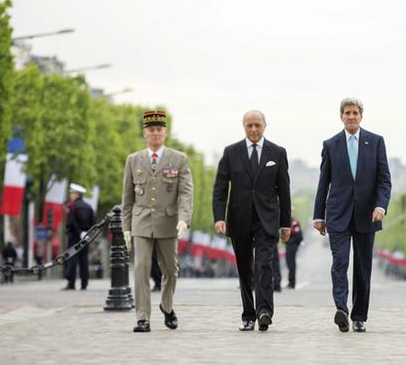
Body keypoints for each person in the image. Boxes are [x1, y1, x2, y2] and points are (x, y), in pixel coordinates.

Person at [313, 98, 392, 333]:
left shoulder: (376, 142)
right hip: (338, 214)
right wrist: (319, 215)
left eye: (354, 113)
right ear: (341, 116)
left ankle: (359, 316)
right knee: (340, 262)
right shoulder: (331, 144)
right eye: (346, 113)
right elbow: (323, 182)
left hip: (368, 215)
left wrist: (381, 206)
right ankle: (341, 310)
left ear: (361, 116)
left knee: (362, 266)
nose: (350, 116)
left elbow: (384, 180)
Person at [213, 110, 291, 332]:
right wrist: (219, 217)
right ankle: (248, 315)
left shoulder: (277, 152)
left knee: (264, 265)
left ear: (265, 126)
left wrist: (285, 224)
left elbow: (284, 191)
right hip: (239, 219)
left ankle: (264, 311)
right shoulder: (231, 153)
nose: (254, 129)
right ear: (243, 127)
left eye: (257, 125)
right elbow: (220, 188)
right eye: (249, 125)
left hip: (267, 220)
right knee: (244, 269)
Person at [122, 110, 194, 333]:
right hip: (141, 222)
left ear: (165, 132)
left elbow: (186, 192)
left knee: (171, 270)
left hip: (168, 222)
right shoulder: (133, 160)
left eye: (159, 130)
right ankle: (142, 317)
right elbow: (127, 198)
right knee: (141, 268)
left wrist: (184, 219)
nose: (155, 134)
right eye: (151, 130)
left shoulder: (178, 159)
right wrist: (126, 228)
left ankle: (167, 305)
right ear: (145, 133)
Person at [63, 183, 95, 290]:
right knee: (84, 261)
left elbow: (71, 221)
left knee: (72, 260)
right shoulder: (88, 207)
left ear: (77, 194)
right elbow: (93, 223)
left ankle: (71, 283)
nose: (71, 195)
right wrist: (86, 233)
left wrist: (79, 232)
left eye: (72, 193)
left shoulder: (72, 206)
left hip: (74, 237)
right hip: (85, 238)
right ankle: (84, 284)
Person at [285, 217, 304, 289]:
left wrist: (292, 242)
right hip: (289, 245)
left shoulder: (294, 222)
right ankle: (291, 282)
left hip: (292, 245)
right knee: (290, 263)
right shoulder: (288, 221)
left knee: (291, 263)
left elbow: (298, 235)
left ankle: (292, 283)